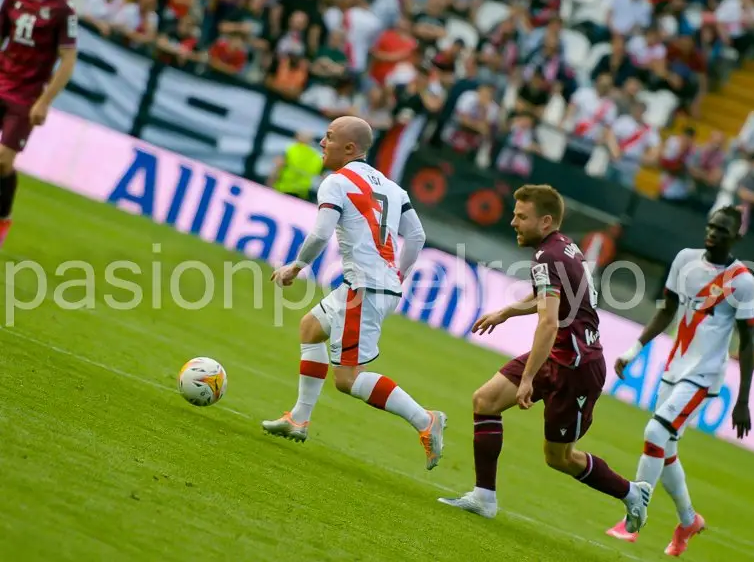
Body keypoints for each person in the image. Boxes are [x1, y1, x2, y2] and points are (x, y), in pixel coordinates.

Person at [437, 184, 653, 532]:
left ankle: (631, 492)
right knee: (486, 401)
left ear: (545, 221)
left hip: (577, 368)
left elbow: (549, 321)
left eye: (522, 217)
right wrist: (507, 311)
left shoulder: (547, 257)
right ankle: (483, 497)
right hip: (559, 355)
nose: (513, 222)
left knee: (559, 458)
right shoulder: (562, 247)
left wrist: (527, 379)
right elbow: (549, 298)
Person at [262, 116, 446, 471]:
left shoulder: (337, 182)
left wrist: (296, 266)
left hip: (365, 288)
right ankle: (299, 418)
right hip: (372, 285)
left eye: (329, 137)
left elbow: (320, 234)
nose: (322, 142)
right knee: (310, 328)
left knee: (347, 379)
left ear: (349, 148)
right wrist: (399, 275)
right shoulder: (393, 188)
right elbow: (417, 236)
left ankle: (426, 420)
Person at [606, 206, 754, 556]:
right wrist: (634, 350)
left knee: (654, 433)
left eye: (722, 230)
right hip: (673, 368)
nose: (713, 233)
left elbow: (748, 343)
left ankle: (633, 517)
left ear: (737, 237)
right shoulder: (685, 259)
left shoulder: (743, 281)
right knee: (666, 449)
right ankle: (688, 521)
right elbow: (667, 309)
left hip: (704, 376)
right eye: (711, 226)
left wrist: (743, 400)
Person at [0, 0, 78, 247]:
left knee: (3, 161)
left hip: (26, 97)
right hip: (1, 79)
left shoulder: (63, 10)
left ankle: (2, 218)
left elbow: (68, 59)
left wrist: (45, 101)